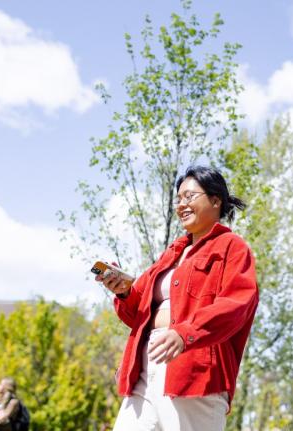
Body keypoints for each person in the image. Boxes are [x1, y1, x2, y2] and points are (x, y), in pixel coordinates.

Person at [98, 166, 259, 431]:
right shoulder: (172, 253)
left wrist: (185, 334)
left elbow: (236, 305)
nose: (181, 205)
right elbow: (137, 313)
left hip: (195, 375)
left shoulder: (232, 247)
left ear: (215, 200)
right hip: (145, 368)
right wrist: (123, 291)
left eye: (190, 196)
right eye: (179, 198)